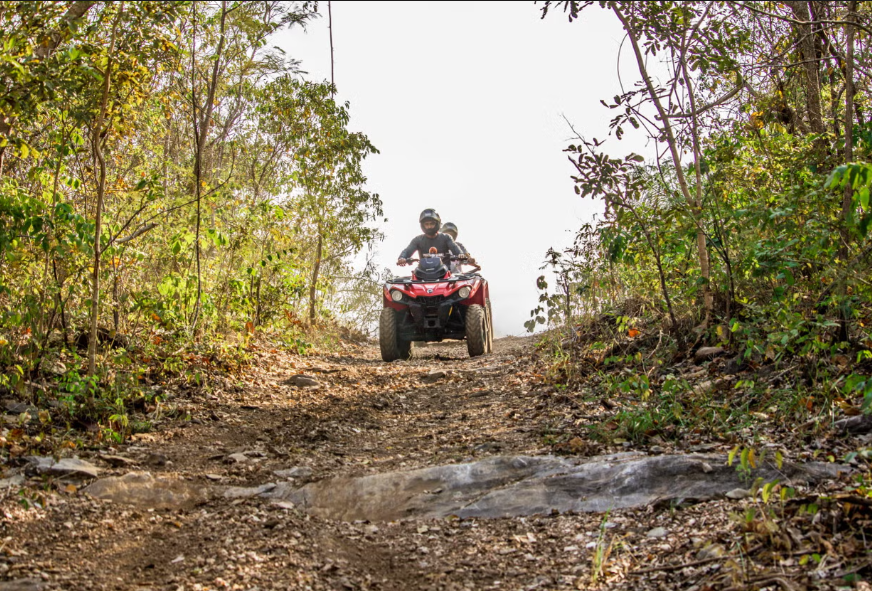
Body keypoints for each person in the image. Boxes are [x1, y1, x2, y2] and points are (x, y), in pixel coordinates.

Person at [397, 208, 462, 267]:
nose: (429, 226)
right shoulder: (418, 240)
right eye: (426, 224)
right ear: (423, 225)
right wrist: (402, 258)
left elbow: (455, 249)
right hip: (423, 274)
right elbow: (407, 250)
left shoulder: (446, 237)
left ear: (437, 224)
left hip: (445, 274)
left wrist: (461, 254)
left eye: (432, 223)